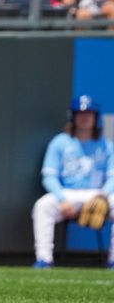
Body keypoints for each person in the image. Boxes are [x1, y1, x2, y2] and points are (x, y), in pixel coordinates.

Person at [32, 95, 114, 269]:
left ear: (96, 117)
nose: (84, 118)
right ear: (73, 117)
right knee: (42, 206)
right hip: (68, 194)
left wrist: (103, 196)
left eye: (89, 114)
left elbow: (113, 176)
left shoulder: (106, 145)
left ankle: (113, 261)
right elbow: (49, 176)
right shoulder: (60, 142)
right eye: (80, 114)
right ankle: (44, 259)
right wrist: (62, 200)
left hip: (98, 193)